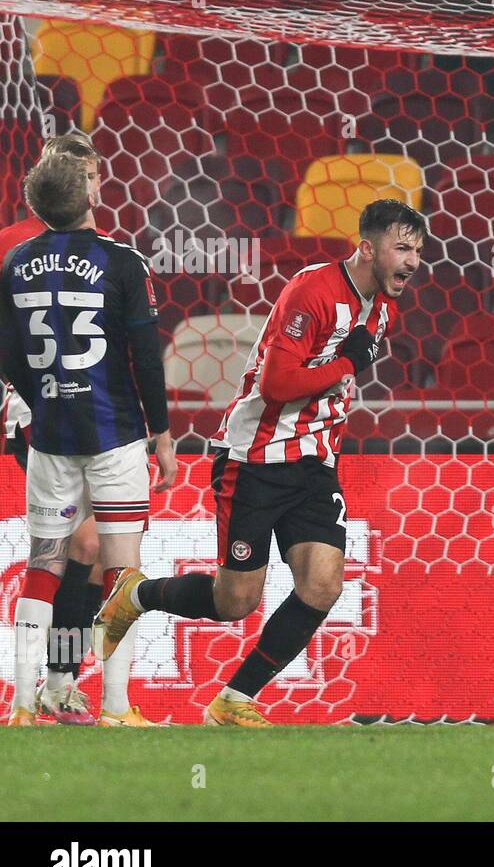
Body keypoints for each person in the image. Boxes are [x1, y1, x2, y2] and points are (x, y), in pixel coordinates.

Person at [95, 199, 426, 727]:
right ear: (368, 247)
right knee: (235, 601)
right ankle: (135, 593)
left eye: (417, 251)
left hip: (314, 462)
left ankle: (234, 699)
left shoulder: (382, 306)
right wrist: (346, 362)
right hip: (254, 458)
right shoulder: (313, 292)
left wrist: (341, 375)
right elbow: (275, 386)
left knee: (323, 585)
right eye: (401, 248)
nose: (411, 262)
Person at [0, 151, 175, 728]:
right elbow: (146, 355)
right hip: (114, 432)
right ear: (90, 195)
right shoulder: (122, 262)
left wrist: (43, 394)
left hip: (49, 435)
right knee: (123, 570)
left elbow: (6, 353)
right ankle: (117, 707)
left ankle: (26, 703)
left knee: (44, 565)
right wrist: (163, 431)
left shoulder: (16, 260)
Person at [0, 133, 110, 726]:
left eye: (95, 176)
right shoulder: (12, 249)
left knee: (87, 551)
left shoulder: (103, 250)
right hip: (39, 419)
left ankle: (58, 684)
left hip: (98, 424)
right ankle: (44, 689)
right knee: (70, 549)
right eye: (88, 176)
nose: (95, 187)